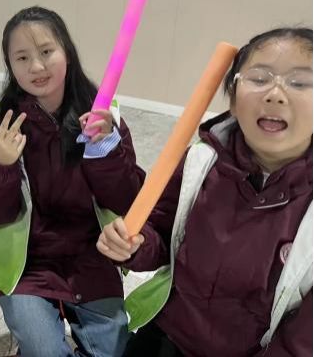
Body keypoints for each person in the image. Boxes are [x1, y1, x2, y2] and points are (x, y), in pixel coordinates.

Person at [98, 28, 313, 356]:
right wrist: (135, 245)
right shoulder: (201, 161)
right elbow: (161, 232)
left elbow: (303, 340)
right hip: (170, 333)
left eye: (299, 82)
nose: (275, 94)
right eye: (259, 78)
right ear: (234, 99)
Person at [0, 6, 145, 356]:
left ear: (67, 53)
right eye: (22, 58)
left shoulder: (103, 118)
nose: (36, 66)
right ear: (10, 66)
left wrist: (106, 149)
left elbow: (128, 200)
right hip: (26, 267)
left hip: (91, 260)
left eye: (46, 51)